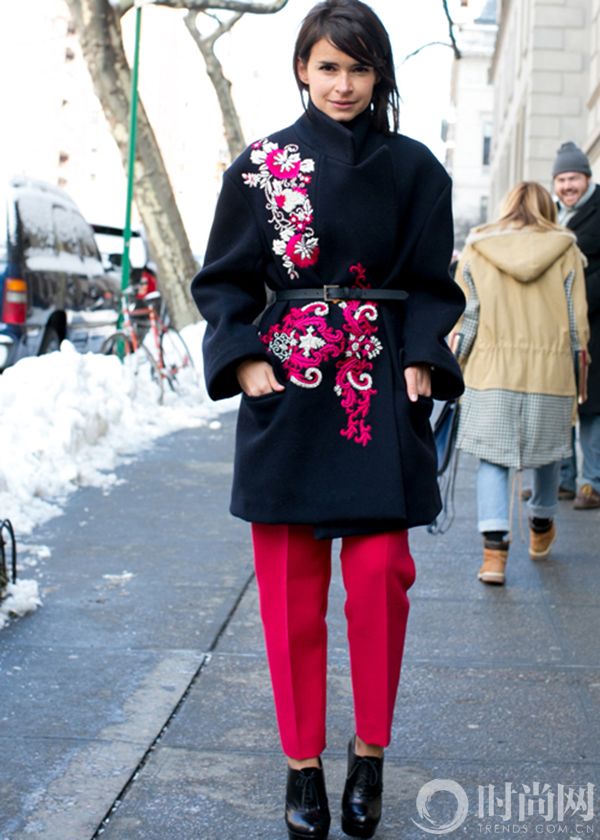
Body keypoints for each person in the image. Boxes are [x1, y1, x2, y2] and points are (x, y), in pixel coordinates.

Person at [191, 2, 464, 837]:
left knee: (382, 578)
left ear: (379, 72)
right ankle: (302, 764)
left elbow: (431, 284)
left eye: (358, 67)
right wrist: (242, 357)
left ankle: (370, 753)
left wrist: (421, 351)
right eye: (327, 66)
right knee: (287, 594)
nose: (342, 84)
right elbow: (226, 279)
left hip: (380, 387)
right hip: (289, 389)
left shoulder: (417, 169)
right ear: (302, 71)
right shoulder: (263, 165)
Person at [453, 182, 589, 586]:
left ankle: (494, 555)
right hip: (549, 369)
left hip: (492, 370)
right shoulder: (565, 249)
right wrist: (579, 373)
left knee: (493, 459)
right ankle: (541, 526)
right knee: (548, 452)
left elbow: (468, 316)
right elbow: (575, 321)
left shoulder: (478, 247)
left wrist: (455, 366)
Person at [552, 141, 600, 509]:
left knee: (591, 405)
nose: (568, 186)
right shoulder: (550, 216)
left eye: (574, 179)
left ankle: (592, 483)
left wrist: (581, 293)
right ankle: (562, 479)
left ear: (587, 178)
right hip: (555, 325)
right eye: (562, 179)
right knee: (559, 399)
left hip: (595, 323)